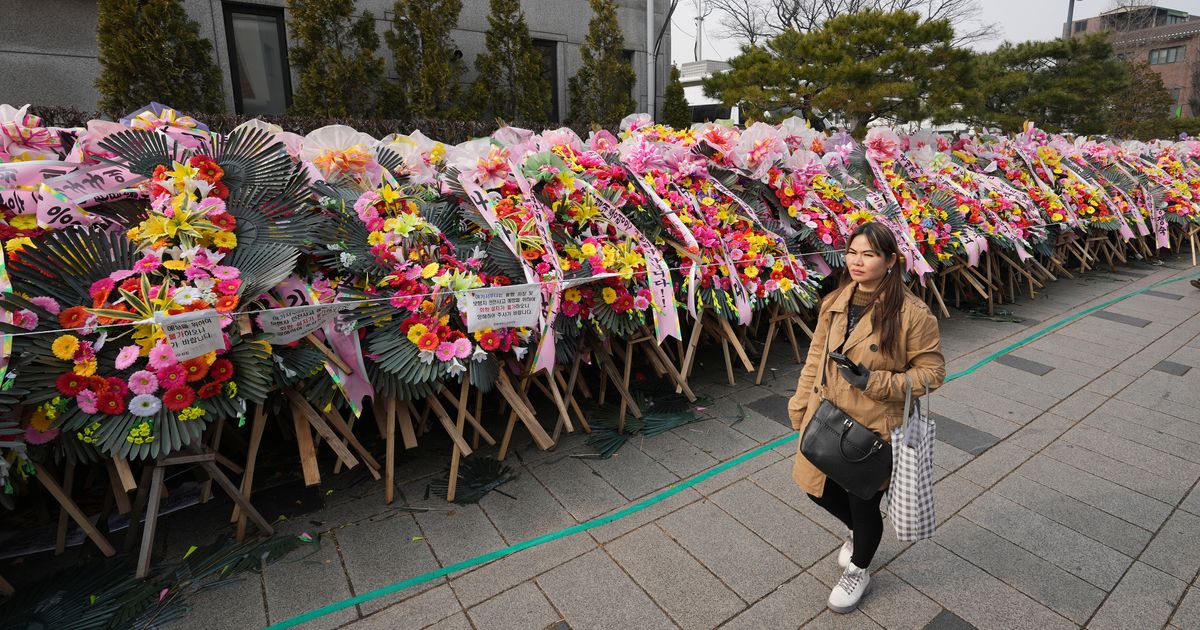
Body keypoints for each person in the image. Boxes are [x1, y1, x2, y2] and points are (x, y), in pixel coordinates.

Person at [787, 222, 946, 613]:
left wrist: (874, 381)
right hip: (827, 414)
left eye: (869, 254)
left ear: (890, 260)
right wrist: (800, 400)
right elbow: (816, 357)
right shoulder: (837, 300)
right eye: (853, 252)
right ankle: (858, 535)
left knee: (863, 503)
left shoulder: (912, 313)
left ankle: (859, 567)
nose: (858, 262)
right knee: (814, 487)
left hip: (875, 425)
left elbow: (932, 372)